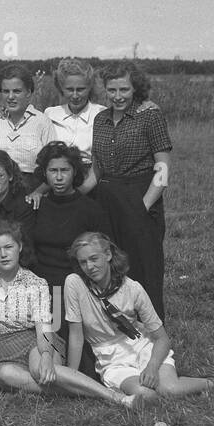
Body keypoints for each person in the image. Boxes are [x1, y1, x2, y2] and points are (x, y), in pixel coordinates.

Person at [0, 220, 146, 410]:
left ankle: (116, 398)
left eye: (9, 247)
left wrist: (47, 355)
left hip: (37, 341)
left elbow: (43, 329)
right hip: (4, 350)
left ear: (20, 247)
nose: (3, 254)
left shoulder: (36, 282)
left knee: (40, 370)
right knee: (2, 375)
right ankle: (77, 389)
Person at [65, 233, 214, 402]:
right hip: (111, 359)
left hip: (142, 346)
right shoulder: (75, 284)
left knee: (170, 390)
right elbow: (76, 335)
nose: (89, 267)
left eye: (94, 259)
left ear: (108, 255)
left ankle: (213, 383)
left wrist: (152, 366)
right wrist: (71, 377)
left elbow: (162, 338)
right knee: (146, 395)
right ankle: (169, 381)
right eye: (83, 262)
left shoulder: (132, 288)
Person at [91, 62, 173, 321]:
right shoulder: (100, 119)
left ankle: (154, 337)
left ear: (135, 88)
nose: (118, 96)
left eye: (124, 89)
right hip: (107, 198)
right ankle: (120, 330)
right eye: (112, 90)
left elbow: (163, 167)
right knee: (113, 268)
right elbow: (97, 168)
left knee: (145, 269)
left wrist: (144, 205)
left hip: (140, 195)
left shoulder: (149, 115)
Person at [28, 142, 110, 361]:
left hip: (76, 281)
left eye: (64, 170)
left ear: (74, 172)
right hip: (40, 280)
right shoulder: (37, 206)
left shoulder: (90, 209)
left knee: (64, 319)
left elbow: (104, 251)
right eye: (53, 171)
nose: (59, 177)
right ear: (44, 173)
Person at [0, 63, 56, 189]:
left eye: (17, 91)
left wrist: (39, 192)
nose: (10, 97)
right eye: (6, 91)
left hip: (32, 190)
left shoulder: (42, 122)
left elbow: (53, 164)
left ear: (29, 92)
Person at [44, 58, 104, 182]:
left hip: (89, 178)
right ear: (61, 88)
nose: (75, 95)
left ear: (90, 87)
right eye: (70, 89)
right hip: (56, 179)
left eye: (81, 89)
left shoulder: (101, 113)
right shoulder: (50, 113)